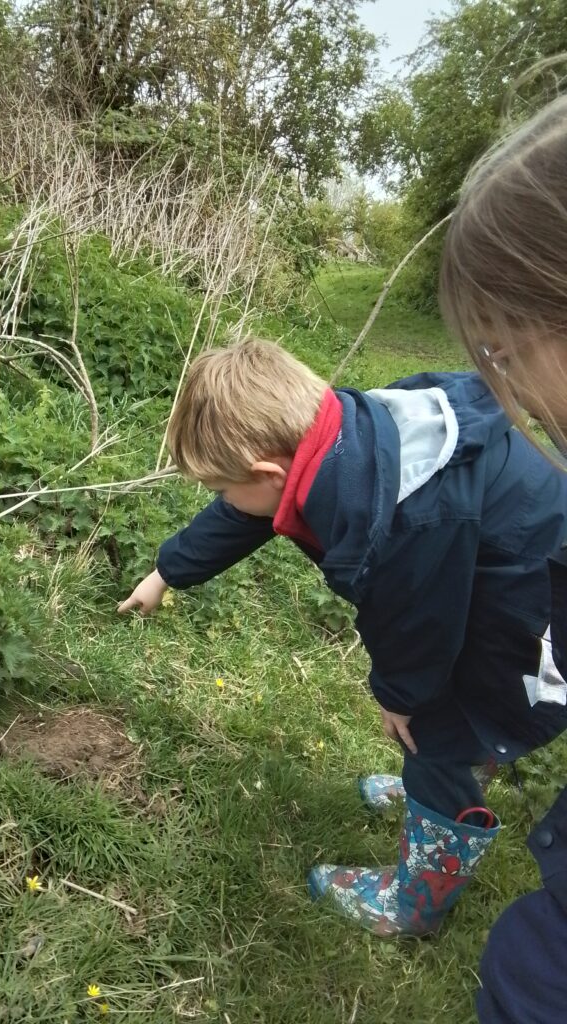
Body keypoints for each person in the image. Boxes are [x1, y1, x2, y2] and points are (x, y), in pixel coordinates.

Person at [118, 337, 567, 938]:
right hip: (503, 568)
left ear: (267, 472)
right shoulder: (340, 432)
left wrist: (401, 696)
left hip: (533, 612)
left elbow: (418, 629)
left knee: (434, 730)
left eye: (222, 487)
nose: (224, 501)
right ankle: (457, 772)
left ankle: (416, 899)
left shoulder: (399, 520)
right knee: (443, 710)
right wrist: (166, 571)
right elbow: (249, 510)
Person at [439, 91, 567, 1023]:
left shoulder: (373, 498)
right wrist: (171, 564)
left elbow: (410, 606)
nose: (508, 386)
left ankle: (426, 872)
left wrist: (406, 694)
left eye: (504, 348)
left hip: (512, 604)